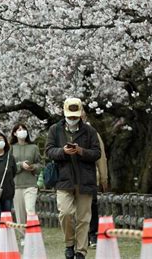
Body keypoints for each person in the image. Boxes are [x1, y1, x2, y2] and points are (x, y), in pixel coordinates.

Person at [46, 98, 101, 259]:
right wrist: (62, 151)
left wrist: (81, 151)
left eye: (75, 116)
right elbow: (48, 151)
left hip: (85, 180)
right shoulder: (55, 130)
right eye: (70, 116)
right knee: (65, 213)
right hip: (64, 180)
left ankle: (81, 251)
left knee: (84, 218)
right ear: (64, 113)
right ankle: (69, 243)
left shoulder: (90, 131)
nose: (72, 119)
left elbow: (97, 153)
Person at [11, 123, 42, 246]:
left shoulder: (33, 147)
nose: (22, 131)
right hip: (17, 184)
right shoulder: (11, 148)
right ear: (14, 133)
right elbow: (10, 166)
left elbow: (40, 165)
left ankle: (33, 234)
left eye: (24, 129)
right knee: (20, 213)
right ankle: (23, 236)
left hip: (31, 184)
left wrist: (33, 167)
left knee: (30, 210)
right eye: (19, 129)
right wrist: (20, 165)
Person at [81, 110, 108, 248]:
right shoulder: (63, 132)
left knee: (91, 206)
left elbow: (101, 157)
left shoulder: (93, 133)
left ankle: (93, 235)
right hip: (71, 178)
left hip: (91, 177)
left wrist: (104, 178)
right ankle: (81, 236)